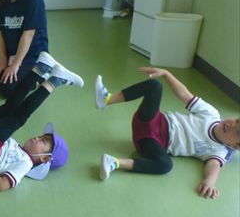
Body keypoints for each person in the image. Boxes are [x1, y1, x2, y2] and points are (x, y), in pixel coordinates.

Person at [95, 67, 239, 199]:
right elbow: (184, 94)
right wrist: (166, 74)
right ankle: (107, 99)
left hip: (151, 143)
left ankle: (114, 162)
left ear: (235, 146)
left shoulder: (219, 151)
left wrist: (210, 182)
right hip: (152, 120)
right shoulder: (211, 114)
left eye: (238, 132)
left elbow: (214, 166)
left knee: (165, 165)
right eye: (237, 121)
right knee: (155, 86)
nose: (232, 125)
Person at [0, 52, 84, 191]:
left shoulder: (26, 164)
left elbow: (3, 185)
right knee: (10, 107)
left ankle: (54, 81)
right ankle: (40, 69)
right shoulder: (18, 148)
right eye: (41, 137)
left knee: (19, 118)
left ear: (44, 159)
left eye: (43, 141)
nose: (37, 138)